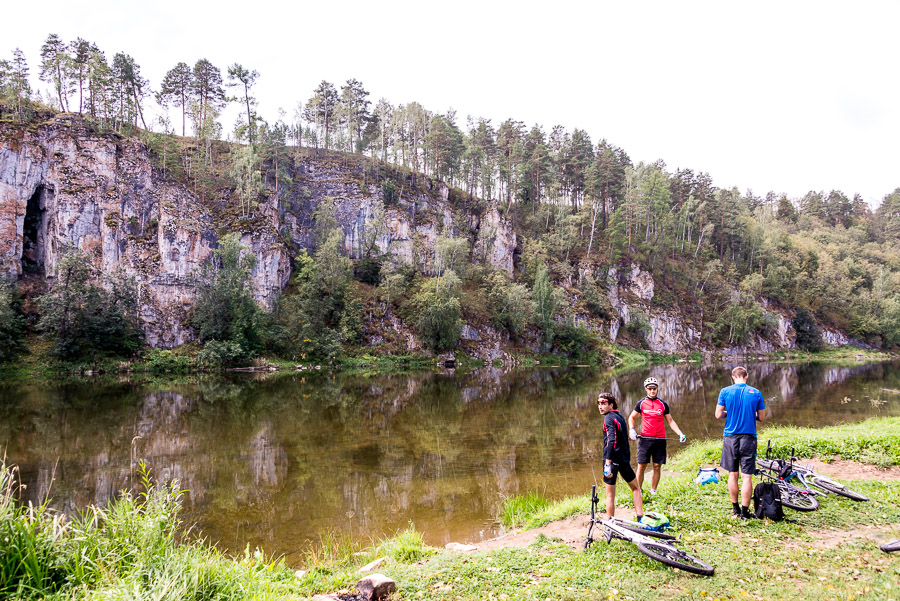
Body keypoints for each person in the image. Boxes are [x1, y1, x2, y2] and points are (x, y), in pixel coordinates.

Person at [715, 366, 766, 519]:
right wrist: (751, 415)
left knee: (732, 474)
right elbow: (762, 417)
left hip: (730, 438)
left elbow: (718, 415)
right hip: (748, 438)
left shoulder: (725, 391)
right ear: (746, 376)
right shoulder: (756, 393)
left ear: (733, 377)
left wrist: (728, 412)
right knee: (747, 477)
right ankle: (745, 511)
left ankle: (735, 509)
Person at [628, 376, 686, 495]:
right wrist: (632, 429)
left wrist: (680, 433)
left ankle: (653, 491)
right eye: (650, 389)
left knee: (657, 466)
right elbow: (631, 417)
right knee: (641, 466)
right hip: (645, 439)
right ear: (646, 389)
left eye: (654, 388)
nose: (652, 391)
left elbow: (670, 421)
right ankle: (638, 491)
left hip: (660, 439)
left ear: (657, 388)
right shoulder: (641, 403)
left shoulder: (663, 404)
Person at [597, 392, 644, 520]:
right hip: (623, 460)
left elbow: (611, 440)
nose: (600, 406)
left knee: (610, 495)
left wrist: (607, 463)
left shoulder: (608, 418)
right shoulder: (620, 417)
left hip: (611, 460)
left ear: (611, 405)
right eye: (599, 403)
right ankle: (640, 518)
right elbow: (624, 439)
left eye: (603, 403)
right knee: (636, 488)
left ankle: (611, 524)